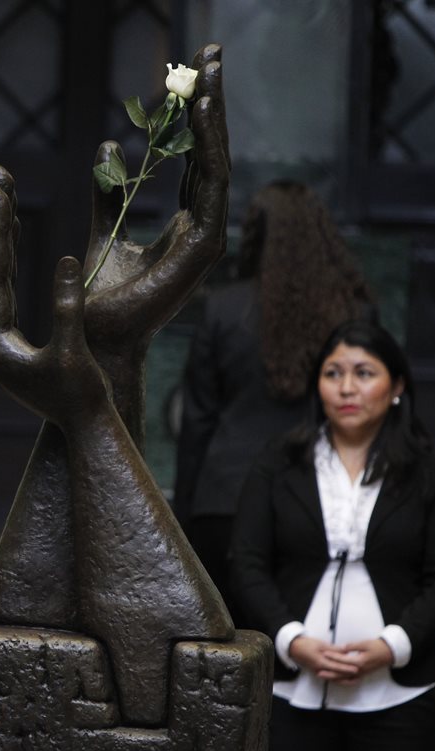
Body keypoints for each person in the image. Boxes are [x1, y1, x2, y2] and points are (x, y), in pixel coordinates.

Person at [231, 319, 435, 751]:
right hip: (294, 689)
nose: (346, 388)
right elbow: (246, 563)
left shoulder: (431, 471)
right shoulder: (279, 461)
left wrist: (391, 646)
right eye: (333, 372)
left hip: (399, 693)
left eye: (364, 373)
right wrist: (293, 640)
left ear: (397, 385)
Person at [173, 180, 374, 619]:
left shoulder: (224, 309)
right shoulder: (353, 314)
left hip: (224, 503)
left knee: (228, 657)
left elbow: (198, 421)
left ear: (255, 236)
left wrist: (184, 512)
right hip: (318, 504)